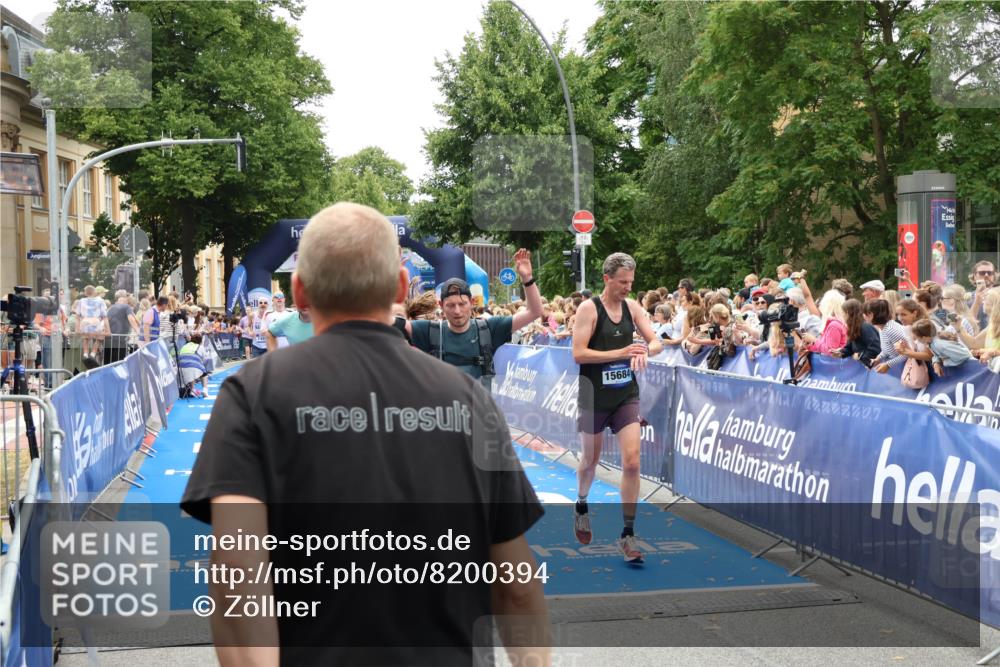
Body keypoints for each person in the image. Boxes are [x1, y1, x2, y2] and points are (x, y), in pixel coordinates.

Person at [180, 202, 548, 666]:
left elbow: (237, 567)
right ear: (398, 285)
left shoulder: (252, 392)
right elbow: (514, 581)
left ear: (298, 292)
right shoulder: (469, 398)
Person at [571, 253, 664, 563]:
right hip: (594, 396)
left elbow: (656, 342)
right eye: (623, 282)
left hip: (625, 394)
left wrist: (643, 350)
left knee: (633, 462)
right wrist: (622, 351)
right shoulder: (589, 309)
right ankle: (582, 503)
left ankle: (628, 533)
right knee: (590, 460)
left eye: (631, 282)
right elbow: (579, 354)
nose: (628, 287)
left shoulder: (633, 307)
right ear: (607, 279)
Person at [407, 249, 542, 385]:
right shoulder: (429, 331)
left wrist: (527, 278)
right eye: (451, 305)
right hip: (444, 405)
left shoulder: (489, 328)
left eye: (462, 304)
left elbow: (534, 312)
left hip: (478, 404)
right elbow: (390, 323)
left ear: (471, 303)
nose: (457, 311)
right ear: (441, 305)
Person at [833, 299, 881, 367]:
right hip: (862, 370)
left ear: (849, 313)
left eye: (843, 312)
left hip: (873, 370)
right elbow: (850, 348)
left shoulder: (865, 327)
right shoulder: (854, 328)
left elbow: (876, 348)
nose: (843, 315)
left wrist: (860, 355)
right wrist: (841, 353)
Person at [75, 285, 108, 361]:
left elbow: (77, 315)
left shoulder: (81, 301)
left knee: (85, 338)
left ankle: (85, 353)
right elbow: (104, 315)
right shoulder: (100, 301)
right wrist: (106, 328)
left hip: (85, 321)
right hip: (96, 321)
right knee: (99, 337)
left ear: (85, 293)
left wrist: (77, 328)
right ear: (94, 292)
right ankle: (93, 352)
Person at [105, 290, 140, 364]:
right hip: (120, 341)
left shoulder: (111, 308)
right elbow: (131, 319)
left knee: (108, 363)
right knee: (119, 363)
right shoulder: (126, 307)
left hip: (109, 340)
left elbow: (106, 320)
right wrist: (138, 331)